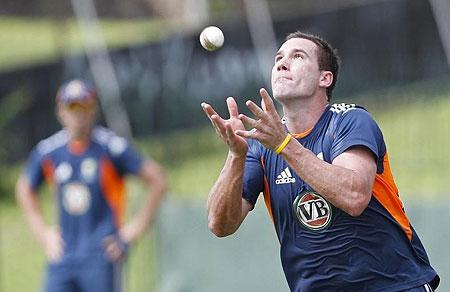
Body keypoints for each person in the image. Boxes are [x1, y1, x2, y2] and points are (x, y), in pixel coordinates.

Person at [201, 31, 439, 291]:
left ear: (325, 78)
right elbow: (220, 224)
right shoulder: (261, 145)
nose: (282, 63)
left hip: (393, 285)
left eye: (298, 56)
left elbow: (354, 196)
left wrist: (284, 145)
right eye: (278, 58)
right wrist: (236, 155)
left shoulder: (349, 121)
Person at [16, 79, 168, 292]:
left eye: (84, 106)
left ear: (93, 109)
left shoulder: (111, 148)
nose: (78, 113)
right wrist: (43, 234)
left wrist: (131, 232)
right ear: (60, 112)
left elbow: (158, 180)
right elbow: (24, 188)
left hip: (101, 256)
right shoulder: (49, 152)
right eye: (72, 106)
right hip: (64, 256)